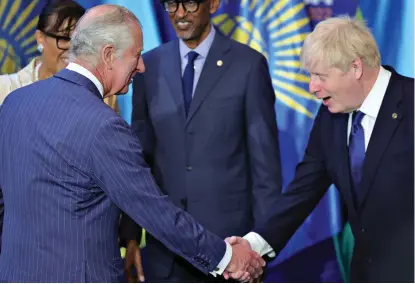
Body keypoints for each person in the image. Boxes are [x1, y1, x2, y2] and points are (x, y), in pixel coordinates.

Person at [0, 5, 265, 282]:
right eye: (136, 55)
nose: (141, 66)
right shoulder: (103, 126)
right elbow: (154, 212)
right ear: (108, 54)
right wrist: (226, 257)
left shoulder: (15, 103)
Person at [226, 15, 414, 283]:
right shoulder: (331, 117)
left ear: (356, 67)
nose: (313, 88)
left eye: (320, 76)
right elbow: (303, 190)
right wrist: (253, 244)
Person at [119, 0, 282, 282]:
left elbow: (265, 167)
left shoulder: (248, 65)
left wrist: (258, 252)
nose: (180, 14)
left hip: (230, 251)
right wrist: (131, 236)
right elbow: (139, 159)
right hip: (165, 251)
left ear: (214, 4)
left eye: (191, 3)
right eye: (171, 4)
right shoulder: (150, 66)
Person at [0, 0, 117, 111]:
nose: (73, 49)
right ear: (40, 38)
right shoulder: (6, 88)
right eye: (64, 38)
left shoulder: (100, 95)